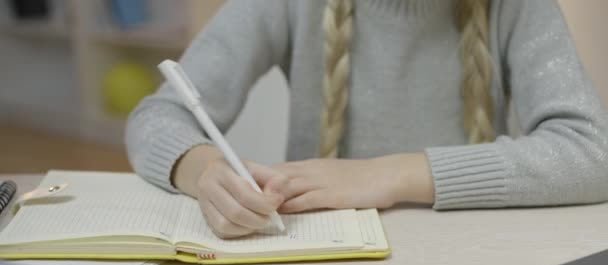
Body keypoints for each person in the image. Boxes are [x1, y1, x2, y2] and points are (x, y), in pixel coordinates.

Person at [126, 0, 608, 239]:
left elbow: (593, 152)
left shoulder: (518, 6)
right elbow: (157, 116)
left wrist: (388, 175)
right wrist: (205, 170)